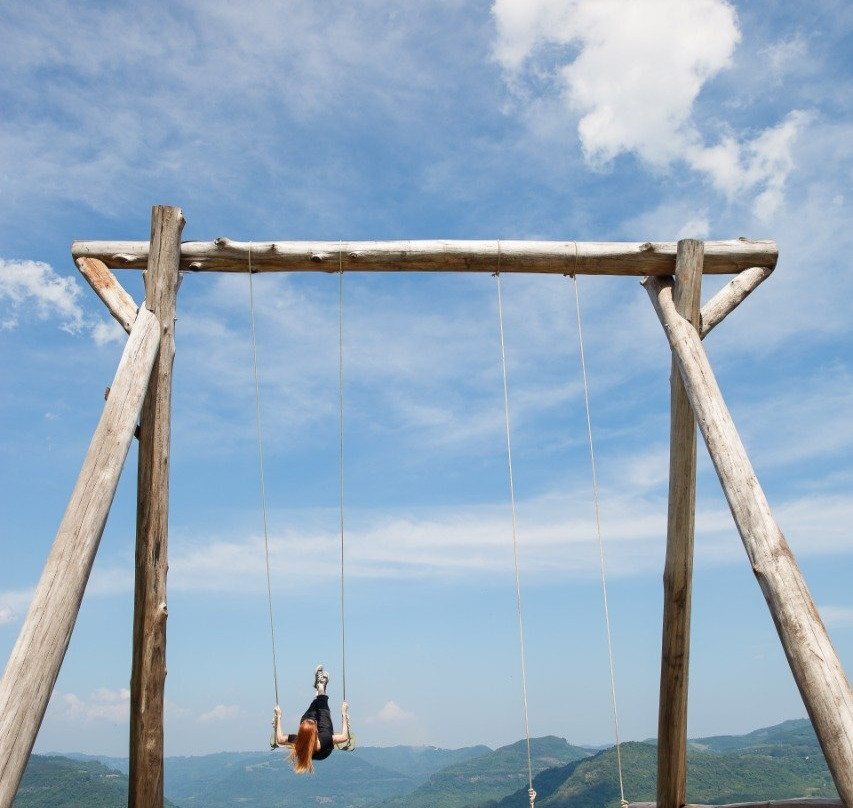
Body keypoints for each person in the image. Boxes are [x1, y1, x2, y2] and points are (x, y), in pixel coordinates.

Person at [272, 665, 350, 774]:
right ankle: (321, 686)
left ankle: (320, 686)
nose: (314, 721)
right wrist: (343, 713)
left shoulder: (298, 740)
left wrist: (278, 717)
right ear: (316, 731)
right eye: (314, 723)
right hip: (324, 751)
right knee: (322, 707)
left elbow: (279, 739)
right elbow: (344, 737)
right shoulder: (325, 739)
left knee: (315, 705)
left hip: (312, 742)